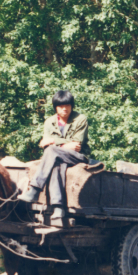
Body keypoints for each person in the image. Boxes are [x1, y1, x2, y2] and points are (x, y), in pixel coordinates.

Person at [19, 89, 99, 221]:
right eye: (61, 106)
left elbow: (77, 145)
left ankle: (34, 190)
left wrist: (54, 142)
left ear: (71, 106)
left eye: (67, 105)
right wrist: (63, 145)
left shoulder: (80, 119)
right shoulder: (49, 122)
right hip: (58, 156)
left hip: (77, 157)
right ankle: (58, 208)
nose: (64, 109)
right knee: (56, 163)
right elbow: (46, 144)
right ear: (56, 107)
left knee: (51, 151)